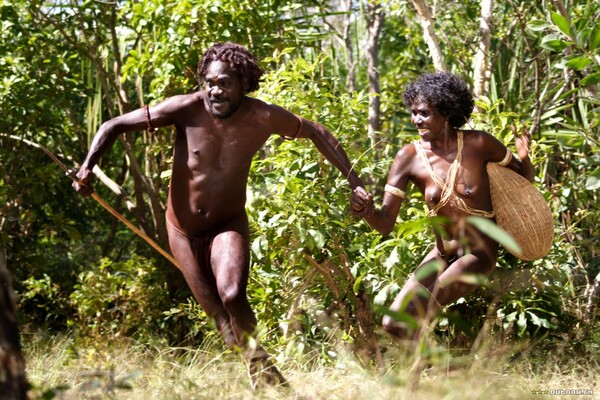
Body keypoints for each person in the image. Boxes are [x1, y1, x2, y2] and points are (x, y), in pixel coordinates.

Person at [73, 42, 367, 389]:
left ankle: (271, 379)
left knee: (232, 295)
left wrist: (355, 183)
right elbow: (113, 125)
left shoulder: (263, 117)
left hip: (227, 225)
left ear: (243, 83)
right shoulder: (185, 109)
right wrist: (87, 168)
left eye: (225, 83)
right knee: (225, 327)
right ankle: (261, 376)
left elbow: (317, 131)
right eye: (210, 82)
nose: (215, 90)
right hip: (181, 231)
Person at [351, 72, 534, 344]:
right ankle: (437, 374)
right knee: (392, 323)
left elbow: (524, 180)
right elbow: (385, 223)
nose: (416, 120)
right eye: (413, 112)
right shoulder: (408, 157)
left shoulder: (479, 144)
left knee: (420, 310)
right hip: (441, 253)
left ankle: (415, 385)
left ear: (446, 111)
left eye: (424, 113)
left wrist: (524, 155)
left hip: (478, 254)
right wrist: (367, 212)